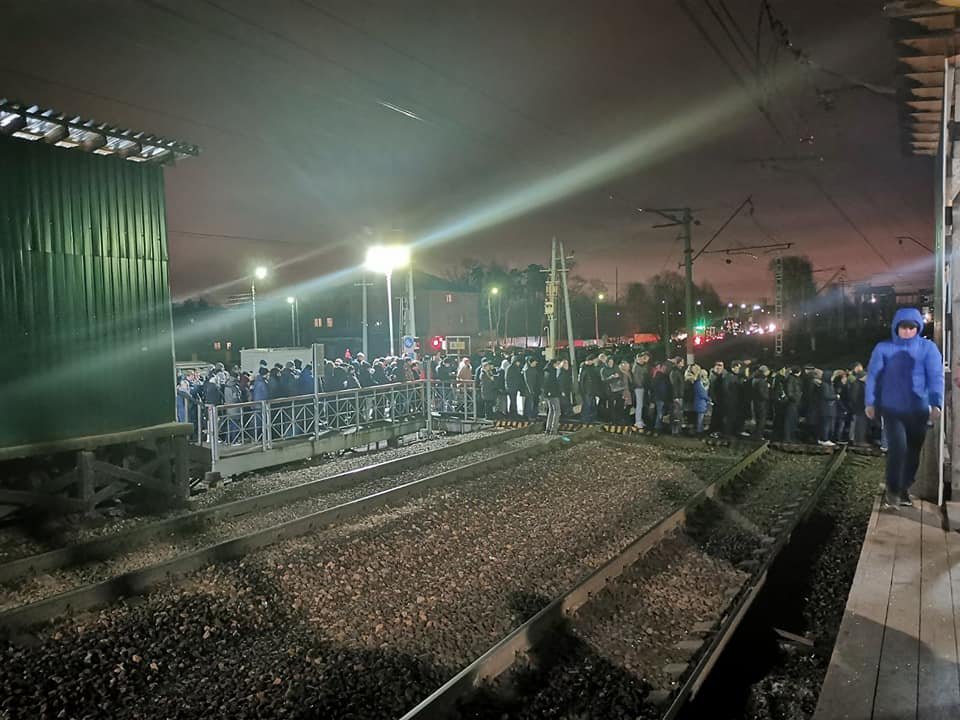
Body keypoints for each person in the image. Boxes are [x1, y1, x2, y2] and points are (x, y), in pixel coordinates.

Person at [866, 307, 943, 508]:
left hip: (918, 409)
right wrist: (870, 401)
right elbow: (873, 376)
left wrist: (936, 402)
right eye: (903, 327)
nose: (907, 331)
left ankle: (904, 488)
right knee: (898, 448)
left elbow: (935, 376)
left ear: (918, 328)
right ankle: (892, 490)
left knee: (913, 452)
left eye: (911, 327)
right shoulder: (883, 348)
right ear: (896, 327)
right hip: (892, 408)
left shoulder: (928, 349)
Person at [631, 352, 651, 429]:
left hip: (642, 387)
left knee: (641, 405)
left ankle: (640, 420)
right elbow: (636, 378)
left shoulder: (643, 366)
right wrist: (640, 385)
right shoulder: (636, 367)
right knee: (639, 405)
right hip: (639, 387)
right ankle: (638, 421)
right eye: (642, 358)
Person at [542, 359, 561, 434]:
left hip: (547, 394)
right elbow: (553, 383)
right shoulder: (552, 372)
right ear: (554, 364)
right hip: (553, 394)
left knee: (551, 410)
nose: (558, 365)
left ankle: (548, 428)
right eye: (557, 363)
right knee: (557, 411)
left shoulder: (546, 371)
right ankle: (554, 429)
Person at [693, 369, 710, 435]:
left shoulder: (705, 383)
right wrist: (708, 398)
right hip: (699, 403)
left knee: (702, 418)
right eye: (704, 375)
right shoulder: (698, 383)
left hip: (703, 403)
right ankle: (699, 431)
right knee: (700, 419)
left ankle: (700, 430)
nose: (705, 376)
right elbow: (701, 393)